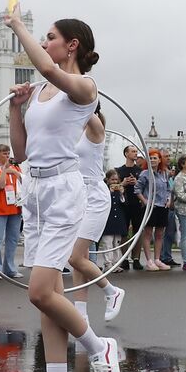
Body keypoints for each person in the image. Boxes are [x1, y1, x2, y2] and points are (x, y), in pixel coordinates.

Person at [1, 3, 121, 372]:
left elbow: (52, 72)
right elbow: (20, 152)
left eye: (49, 37)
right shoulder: (37, 94)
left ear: (71, 45)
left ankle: (98, 346)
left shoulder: (85, 87)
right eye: (43, 36)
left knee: (39, 290)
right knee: (47, 296)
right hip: (34, 190)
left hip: (64, 191)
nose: (44, 42)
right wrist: (16, 109)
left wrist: (18, 26)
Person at [71, 109, 127, 323]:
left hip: (94, 196)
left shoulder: (95, 128)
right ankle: (81, 312)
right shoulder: (73, 130)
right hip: (76, 195)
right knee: (80, 258)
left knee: (74, 257)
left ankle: (112, 291)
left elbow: (85, 104)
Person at [0, 145, 23, 279]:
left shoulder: (16, 168)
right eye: (4, 154)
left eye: (8, 154)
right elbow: (0, 185)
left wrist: (15, 172)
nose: (7, 156)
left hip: (15, 207)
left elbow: (24, 182)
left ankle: (10, 268)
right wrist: (5, 170)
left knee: (13, 239)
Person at [135, 149, 173, 270]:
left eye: (155, 158)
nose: (152, 160)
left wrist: (169, 199)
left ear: (160, 160)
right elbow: (137, 189)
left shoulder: (165, 173)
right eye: (150, 158)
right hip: (150, 207)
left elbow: (168, 189)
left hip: (162, 206)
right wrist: (145, 201)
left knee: (160, 234)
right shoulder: (145, 173)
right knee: (147, 233)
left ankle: (157, 259)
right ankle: (149, 260)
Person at [114, 145, 145, 270]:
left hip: (137, 204)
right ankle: (124, 258)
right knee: (123, 232)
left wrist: (136, 183)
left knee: (138, 232)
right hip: (124, 204)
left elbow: (146, 188)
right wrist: (123, 183)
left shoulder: (141, 171)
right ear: (126, 154)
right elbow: (113, 187)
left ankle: (136, 258)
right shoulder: (119, 170)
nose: (135, 153)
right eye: (133, 151)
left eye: (136, 151)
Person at [99, 170, 130, 271]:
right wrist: (109, 193)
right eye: (112, 179)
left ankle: (116, 263)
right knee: (107, 242)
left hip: (118, 221)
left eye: (116, 179)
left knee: (116, 242)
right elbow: (102, 203)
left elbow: (125, 204)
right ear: (107, 180)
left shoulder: (120, 191)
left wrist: (121, 194)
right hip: (108, 220)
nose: (114, 182)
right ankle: (108, 264)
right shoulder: (104, 191)